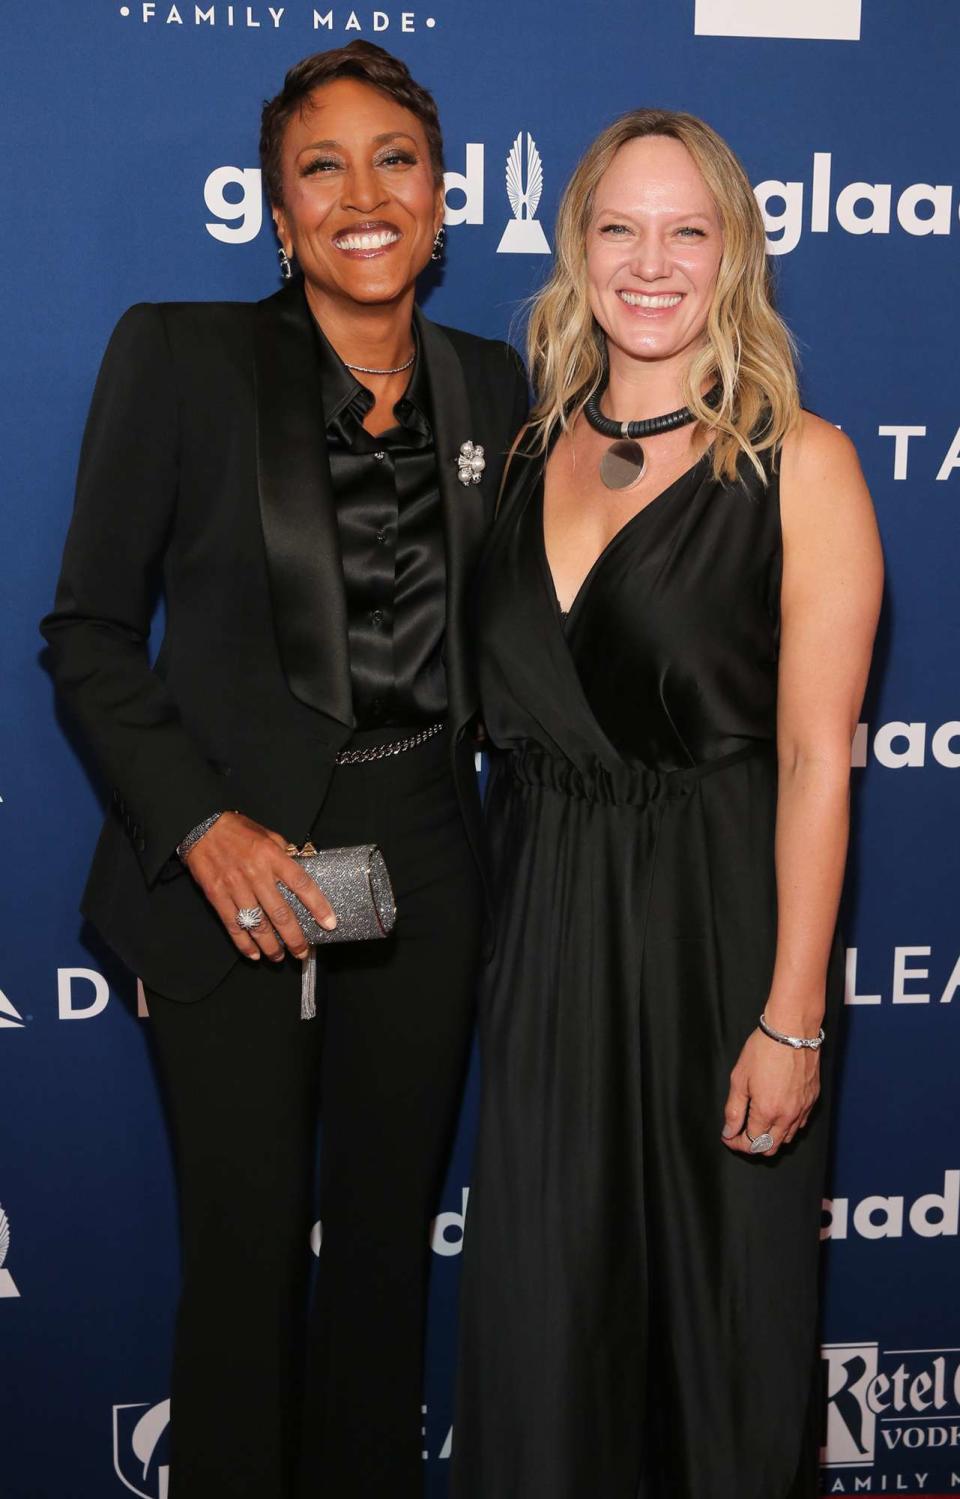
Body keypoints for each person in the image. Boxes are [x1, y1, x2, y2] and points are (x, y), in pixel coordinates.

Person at [41, 40, 527, 1499]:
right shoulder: (181, 355)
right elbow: (88, 635)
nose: (363, 195)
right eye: (323, 166)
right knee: (245, 1271)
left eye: (397, 161)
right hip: (233, 873)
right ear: (276, 210)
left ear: (444, 204)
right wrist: (198, 829)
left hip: (428, 864)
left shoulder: (498, 387)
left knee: (384, 1271)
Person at [451, 109, 882, 1499]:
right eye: (620, 227)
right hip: (547, 944)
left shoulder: (802, 463)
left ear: (733, 255)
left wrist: (791, 1013)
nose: (652, 262)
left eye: (686, 230)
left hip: (720, 940)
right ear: (575, 245)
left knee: (721, 1335)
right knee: (544, 1328)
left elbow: (819, 759)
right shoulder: (523, 457)